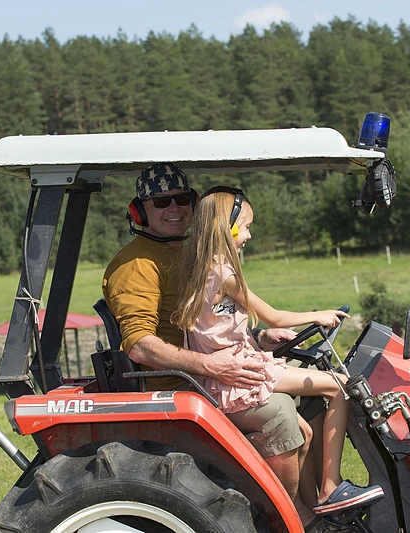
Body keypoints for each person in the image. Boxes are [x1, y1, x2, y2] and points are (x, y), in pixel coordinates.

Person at [103, 163, 335, 531]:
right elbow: (139, 345)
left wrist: (258, 338)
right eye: (161, 201)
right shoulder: (135, 265)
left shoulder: (189, 253)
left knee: (313, 396)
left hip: (207, 373)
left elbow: (208, 323)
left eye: (182, 199)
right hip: (180, 385)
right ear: (139, 210)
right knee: (279, 413)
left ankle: (322, 506)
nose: (174, 208)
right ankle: (290, 519)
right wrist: (211, 366)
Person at [172, 186, 384, 516]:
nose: (249, 235)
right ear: (226, 228)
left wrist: (261, 338)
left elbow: (221, 329)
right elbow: (274, 315)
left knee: (306, 432)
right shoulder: (224, 275)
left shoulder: (202, 271)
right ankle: (331, 487)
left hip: (230, 373)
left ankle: (313, 510)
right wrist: (318, 315)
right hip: (237, 377)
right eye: (246, 226)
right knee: (340, 386)